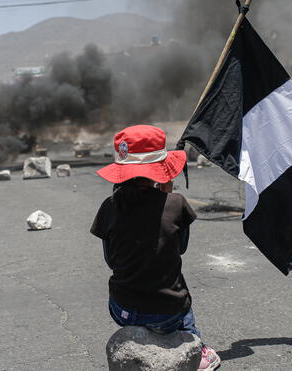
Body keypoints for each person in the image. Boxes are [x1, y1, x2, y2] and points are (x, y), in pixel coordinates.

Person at [90, 125, 220, 371]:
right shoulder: (176, 204)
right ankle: (200, 352)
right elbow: (179, 248)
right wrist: (167, 197)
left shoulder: (108, 207)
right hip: (168, 314)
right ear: (159, 170)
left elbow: (110, 260)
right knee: (183, 305)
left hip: (122, 310)